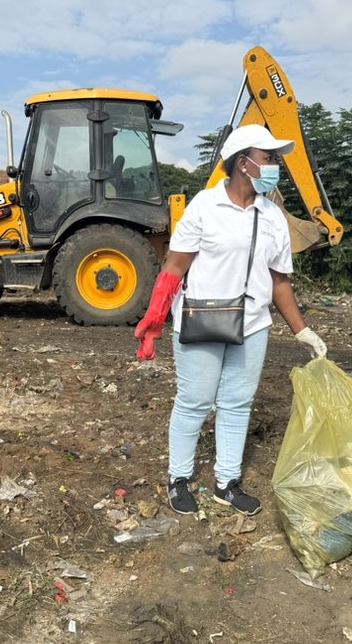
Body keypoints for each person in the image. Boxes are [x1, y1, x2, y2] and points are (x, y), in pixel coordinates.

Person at [134, 124, 327, 516]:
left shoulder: (273, 216)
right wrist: (154, 321)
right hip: (203, 319)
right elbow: (174, 267)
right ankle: (179, 478)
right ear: (244, 163)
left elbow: (279, 281)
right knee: (195, 401)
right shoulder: (204, 207)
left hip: (252, 323)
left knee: (237, 404)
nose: (275, 165)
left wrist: (302, 330)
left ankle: (227, 482)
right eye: (269, 157)